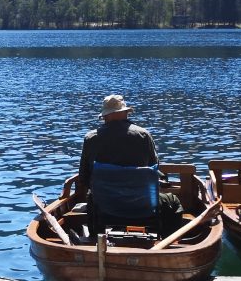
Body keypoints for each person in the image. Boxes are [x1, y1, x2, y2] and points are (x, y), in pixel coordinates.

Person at [78, 94, 181, 232]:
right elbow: (154, 171)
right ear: (126, 113)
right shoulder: (143, 135)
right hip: (142, 204)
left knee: (92, 197)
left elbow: (84, 178)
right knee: (173, 202)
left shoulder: (91, 138)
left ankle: (94, 240)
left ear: (105, 116)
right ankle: (168, 243)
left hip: (105, 206)